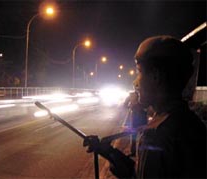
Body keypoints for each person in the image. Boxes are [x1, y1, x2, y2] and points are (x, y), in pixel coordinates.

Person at [83, 35, 206, 178]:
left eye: (139, 72)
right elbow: (138, 172)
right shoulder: (192, 124)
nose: (135, 83)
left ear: (155, 76)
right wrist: (109, 152)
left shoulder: (158, 134)